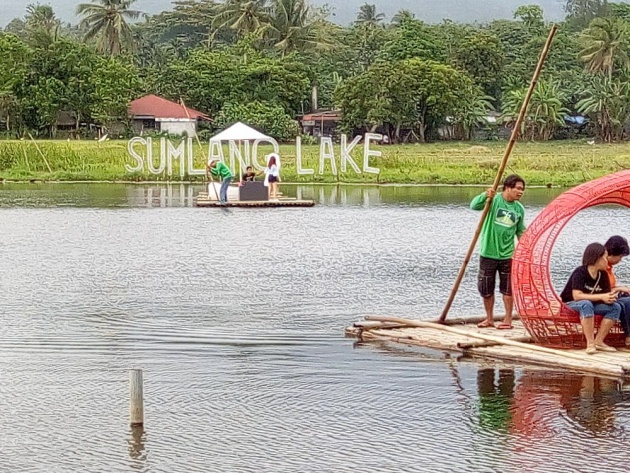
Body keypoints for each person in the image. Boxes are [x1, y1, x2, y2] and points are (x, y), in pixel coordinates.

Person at [471, 174, 526, 330]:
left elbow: (520, 230)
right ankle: (489, 319)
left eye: (522, 189)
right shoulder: (494, 201)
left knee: (508, 289)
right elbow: (474, 205)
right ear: (508, 187)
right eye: (518, 188)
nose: (520, 192)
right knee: (486, 288)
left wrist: (526, 245)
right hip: (488, 252)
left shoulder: (519, 208)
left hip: (508, 255)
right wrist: (485, 195)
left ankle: (508, 319)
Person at [560, 242, 621, 354]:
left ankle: (599, 341)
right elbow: (577, 296)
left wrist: (610, 297)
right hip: (571, 304)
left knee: (615, 307)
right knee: (585, 304)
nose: (607, 260)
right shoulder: (580, 272)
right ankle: (590, 343)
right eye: (605, 257)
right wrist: (602, 296)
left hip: (591, 303)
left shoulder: (603, 275)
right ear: (597, 258)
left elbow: (605, 295)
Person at [604, 235, 630, 346]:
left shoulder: (609, 266)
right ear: (612, 253)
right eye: (620, 257)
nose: (620, 260)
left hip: (609, 293)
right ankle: (628, 336)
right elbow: (599, 288)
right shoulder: (600, 265)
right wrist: (619, 288)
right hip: (602, 297)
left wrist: (621, 289)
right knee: (626, 303)